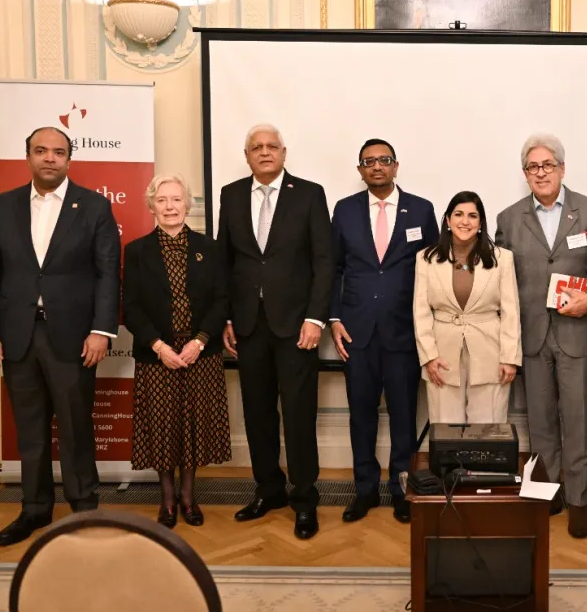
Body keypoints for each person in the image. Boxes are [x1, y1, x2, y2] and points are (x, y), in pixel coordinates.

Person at [0, 126, 121, 547]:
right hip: (17, 336)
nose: (50, 158)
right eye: (41, 151)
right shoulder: (2, 207)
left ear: (69, 159)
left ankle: (83, 508)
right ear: (28, 157)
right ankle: (34, 510)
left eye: (58, 152)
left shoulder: (94, 206)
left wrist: (101, 330)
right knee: (31, 429)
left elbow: (107, 272)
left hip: (74, 337)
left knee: (76, 426)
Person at [217, 124, 333, 540]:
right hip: (249, 325)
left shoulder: (310, 193)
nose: (264, 153)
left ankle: (304, 499)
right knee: (257, 413)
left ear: (284, 152)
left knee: (299, 415)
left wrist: (316, 319)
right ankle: (269, 490)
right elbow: (225, 262)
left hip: (297, 325)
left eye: (271, 147)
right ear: (246, 155)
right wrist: (227, 317)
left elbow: (324, 260)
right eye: (256, 148)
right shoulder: (230, 195)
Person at [495, 134, 587, 539]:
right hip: (531, 337)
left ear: (562, 168)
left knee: (578, 424)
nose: (540, 173)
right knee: (540, 425)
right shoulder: (508, 219)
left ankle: (579, 501)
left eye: (548, 165)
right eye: (532, 167)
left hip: (578, 334)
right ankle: (549, 493)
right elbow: (500, 280)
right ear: (525, 174)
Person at [330, 139, 438, 524]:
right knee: (361, 415)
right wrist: (334, 318)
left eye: (384, 160)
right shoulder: (344, 211)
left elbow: (434, 271)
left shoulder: (421, 210)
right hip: (356, 332)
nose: (377, 166)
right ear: (360, 169)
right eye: (369, 161)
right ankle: (364, 491)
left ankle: (401, 489)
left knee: (404, 415)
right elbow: (335, 269)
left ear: (396, 166)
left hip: (403, 332)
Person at [122, 174, 232, 529]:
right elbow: (131, 306)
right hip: (157, 356)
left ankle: (189, 496)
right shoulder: (137, 251)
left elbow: (221, 300)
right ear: (151, 205)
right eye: (162, 200)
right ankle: (167, 498)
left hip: (200, 353)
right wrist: (159, 346)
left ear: (188, 205)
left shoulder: (210, 248)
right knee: (162, 429)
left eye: (176, 199)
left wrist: (199, 341)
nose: (170, 206)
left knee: (194, 428)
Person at [414, 191, 522, 424]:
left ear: (481, 223)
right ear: (447, 221)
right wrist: (429, 357)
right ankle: (451, 464)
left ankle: (483, 464)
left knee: (488, 428)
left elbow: (511, 311)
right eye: (458, 214)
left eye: (473, 216)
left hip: (491, 355)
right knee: (445, 429)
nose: (465, 221)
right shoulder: (425, 259)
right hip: (441, 355)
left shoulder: (502, 259)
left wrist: (509, 358)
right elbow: (421, 312)